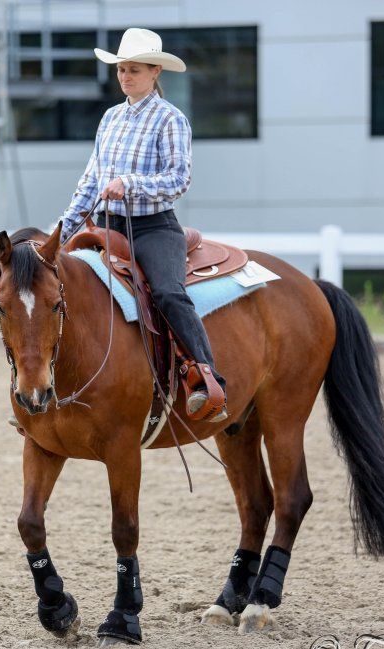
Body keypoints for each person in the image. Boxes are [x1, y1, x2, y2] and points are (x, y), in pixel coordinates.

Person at [59, 28, 227, 422]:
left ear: (155, 72)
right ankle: (48, 387)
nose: (126, 76)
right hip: (104, 225)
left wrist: (129, 185)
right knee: (60, 288)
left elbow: (178, 179)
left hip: (153, 227)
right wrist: (62, 234)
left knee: (168, 293)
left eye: (134, 69)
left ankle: (207, 379)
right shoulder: (110, 118)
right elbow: (90, 182)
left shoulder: (171, 119)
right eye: (121, 70)